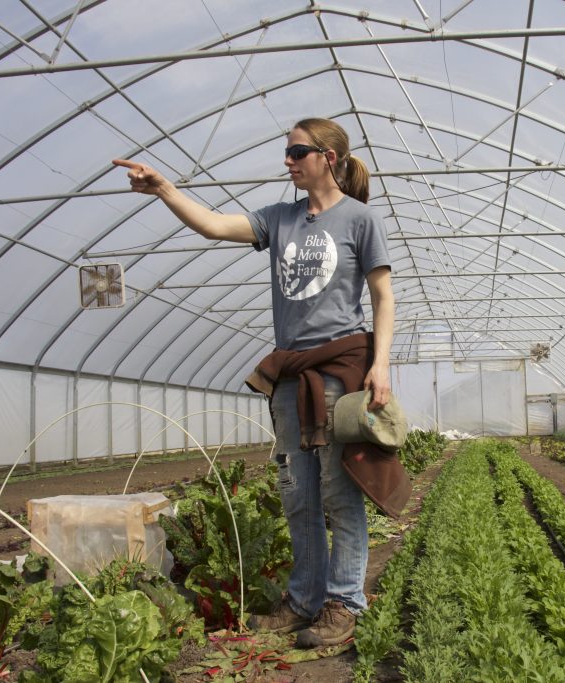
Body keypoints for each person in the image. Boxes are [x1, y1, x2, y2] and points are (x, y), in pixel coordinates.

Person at [113, 117, 394, 648]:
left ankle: (344, 602)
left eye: (296, 152)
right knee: (299, 495)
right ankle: (305, 600)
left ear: (327, 158)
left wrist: (381, 366)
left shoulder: (360, 219)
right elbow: (214, 226)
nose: (287, 161)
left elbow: (383, 296)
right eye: (287, 153)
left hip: (340, 371)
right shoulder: (279, 220)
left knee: (339, 491)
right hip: (290, 373)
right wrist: (164, 189)